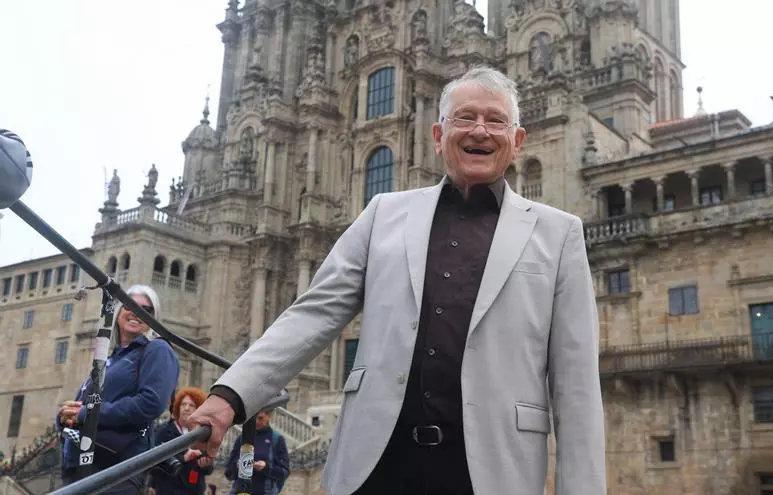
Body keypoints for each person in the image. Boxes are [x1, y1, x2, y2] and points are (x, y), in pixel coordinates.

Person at [190, 66, 606, 494]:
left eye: (496, 121)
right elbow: (310, 315)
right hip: (375, 469)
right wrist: (230, 396)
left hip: (491, 474)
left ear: (517, 141)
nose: (479, 130)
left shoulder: (559, 235)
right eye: (464, 118)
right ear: (438, 135)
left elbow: (577, 389)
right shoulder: (382, 214)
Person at [58, 284, 179, 494]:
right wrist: (64, 417)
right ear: (119, 311)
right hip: (80, 463)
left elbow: (151, 403)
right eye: (129, 305)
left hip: (117, 466)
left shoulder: (157, 349)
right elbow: (83, 405)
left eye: (146, 309)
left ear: (153, 318)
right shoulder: (109, 358)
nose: (135, 311)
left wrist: (89, 413)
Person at [150, 387, 214, 494]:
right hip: (168, 490)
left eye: (191, 405)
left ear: (199, 409)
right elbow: (153, 463)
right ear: (178, 407)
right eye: (183, 404)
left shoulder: (203, 434)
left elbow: (209, 470)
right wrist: (183, 458)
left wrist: (206, 464)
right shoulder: (164, 431)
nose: (186, 408)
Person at [223, 409, 289, 495]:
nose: (256, 421)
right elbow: (228, 472)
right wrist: (238, 465)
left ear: (269, 416)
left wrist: (265, 467)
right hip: (240, 491)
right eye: (253, 418)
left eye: (260, 418)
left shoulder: (277, 439)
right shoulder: (241, 439)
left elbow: (284, 473)